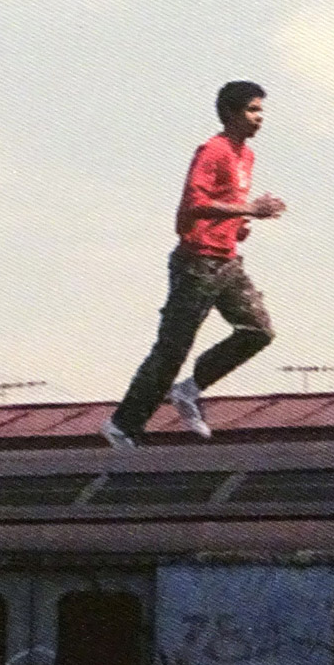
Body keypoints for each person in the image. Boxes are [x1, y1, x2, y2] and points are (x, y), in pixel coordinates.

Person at [101, 81, 287, 449]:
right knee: (173, 348)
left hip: (227, 260)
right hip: (197, 263)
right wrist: (249, 209)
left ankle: (188, 390)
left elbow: (221, 204)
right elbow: (193, 204)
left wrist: (239, 224)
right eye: (252, 110)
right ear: (230, 113)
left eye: (261, 110)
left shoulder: (245, 155)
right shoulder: (213, 150)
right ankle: (122, 424)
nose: (260, 117)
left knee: (258, 331)